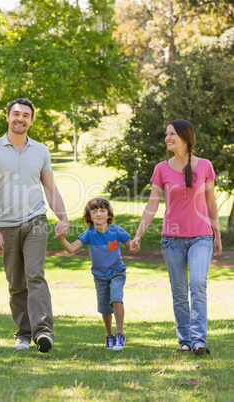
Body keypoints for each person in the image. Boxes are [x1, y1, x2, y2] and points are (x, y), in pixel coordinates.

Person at [0, 98, 68, 353]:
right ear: (7, 117)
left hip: (35, 220)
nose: (20, 118)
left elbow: (50, 189)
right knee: (16, 282)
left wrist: (63, 217)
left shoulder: (41, 150)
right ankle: (23, 334)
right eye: (16, 114)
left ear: (31, 120)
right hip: (5, 224)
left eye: (26, 115)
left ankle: (43, 333)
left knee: (35, 275)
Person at [130, 119, 222, 355]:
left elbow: (211, 203)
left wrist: (217, 234)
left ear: (185, 137)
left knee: (198, 283)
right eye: (166, 134)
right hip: (172, 240)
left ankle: (199, 339)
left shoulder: (205, 166)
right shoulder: (161, 168)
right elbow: (152, 205)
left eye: (172, 134)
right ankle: (185, 340)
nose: (167, 138)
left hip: (201, 236)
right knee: (179, 291)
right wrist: (139, 233)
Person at [55, 197, 137, 351]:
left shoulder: (117, 231)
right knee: (105, 307)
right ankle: (110, 335)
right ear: (89, 216)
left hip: (117, 271)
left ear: (108, 214)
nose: (99, 214)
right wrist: (62, 239)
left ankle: (120, 334)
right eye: (95, 211)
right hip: (99, 276)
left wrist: (135, 244)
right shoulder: (89, 234)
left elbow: (132, 248)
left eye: (102, 211)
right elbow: (71, 249)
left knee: (116, 298)